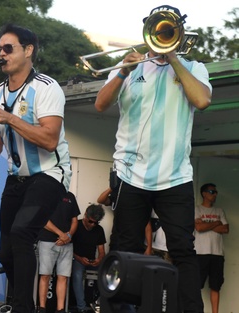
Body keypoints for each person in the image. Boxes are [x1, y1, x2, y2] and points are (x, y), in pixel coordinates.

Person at [93, 5, 212, 312]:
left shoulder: (193, 67)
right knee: (123, 247)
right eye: (158, 29)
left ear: (179, 32)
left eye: (168, 30)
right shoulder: (130, 68)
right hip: (131, 174)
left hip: (175, 177)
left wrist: (173, 57)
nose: (162, 35)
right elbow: (100, 104)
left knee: (183, 250)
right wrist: (122, 70)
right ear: (147, 31)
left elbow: (201, 100)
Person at [0, 24, 72, 313]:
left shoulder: (46, 87)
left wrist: (9, 118)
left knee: (21, 233)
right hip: (15, 177)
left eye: (8, 48)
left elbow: (48, 139)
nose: (1, 54)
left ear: (28, 50)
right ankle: (22, 303)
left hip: (50, 173)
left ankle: (22, 308)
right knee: (6, 253)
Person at [37, 191, 79, 313]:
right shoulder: (46, 194)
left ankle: (60, 310)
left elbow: (75, 220)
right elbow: (42, 219)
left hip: (67, 243)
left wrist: (69, 236)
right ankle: (42, 308)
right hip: (47, 241)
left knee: (63, 277)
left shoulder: (70, 196)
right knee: (45, 275)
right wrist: (62, 235)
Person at [194, 183, 229, 313]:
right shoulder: (197, 209)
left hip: (217, 254)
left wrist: (205, 224)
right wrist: (215, 223)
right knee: (196, 285)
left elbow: (225, 229)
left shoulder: (219, 211)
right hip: (200, 253)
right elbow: (199, 228)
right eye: (212, 191)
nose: (215, 194)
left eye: (215, 192)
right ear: (204, 193)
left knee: (216, 286)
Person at [71, 204, 106, 313]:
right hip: (76, 259)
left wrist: (99, 259)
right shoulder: (76, 226)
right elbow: (68, 249)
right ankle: (81, 308)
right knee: (77, 275)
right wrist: (79, 258)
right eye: (90, 221)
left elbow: (102, 252)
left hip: (91, 261)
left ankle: (100, 304)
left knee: (108, 272)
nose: (92, 225)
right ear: (85, 215)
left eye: (95, 223)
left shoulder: (99, 230)